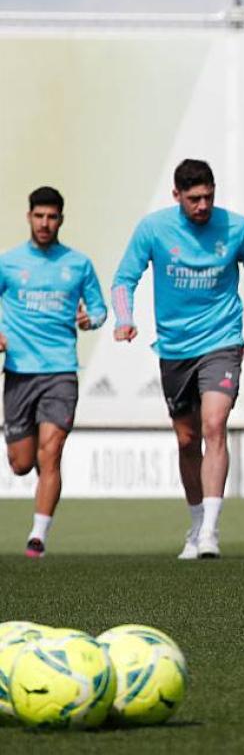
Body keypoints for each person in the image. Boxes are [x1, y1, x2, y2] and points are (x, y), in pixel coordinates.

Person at [112, 160, 244, 559]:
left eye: (208, 196)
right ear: (176, 196)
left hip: (222, 342)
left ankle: (211, 533)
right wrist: (124, 318)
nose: (202, 205)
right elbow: (123, 280)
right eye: (194, 199)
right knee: (188, 440)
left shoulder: (237, 228)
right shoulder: (153, 229)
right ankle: (197, 522)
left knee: (214, 424)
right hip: (174, 349)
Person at [1, 187, 107, 557]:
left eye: (52, 217)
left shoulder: (77, 264)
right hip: (18, 372)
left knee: (52, 452)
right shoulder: (9, 262)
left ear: (61, 219)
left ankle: (38, 537)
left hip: (61, 371)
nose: (45, 223)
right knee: (21, 463)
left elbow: (99, 310)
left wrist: (89, 319)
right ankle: (37, 487)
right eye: (39, 216)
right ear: (29, 217)